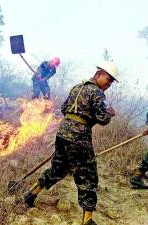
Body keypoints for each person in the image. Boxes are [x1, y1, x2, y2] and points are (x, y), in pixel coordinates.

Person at [23, 61, 119, 225]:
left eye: (111, 82)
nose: (109, 84)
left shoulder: (77, 87)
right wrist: (109, 113)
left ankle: (32, 193)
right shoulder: (96, 92)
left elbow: (64, 107)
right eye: (108, 79)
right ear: (99, 74)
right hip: (78, 136)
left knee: (59, 168)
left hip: (63, 132)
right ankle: (87, 219)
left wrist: (81, 115)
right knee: (88, 174)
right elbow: (103, 119)